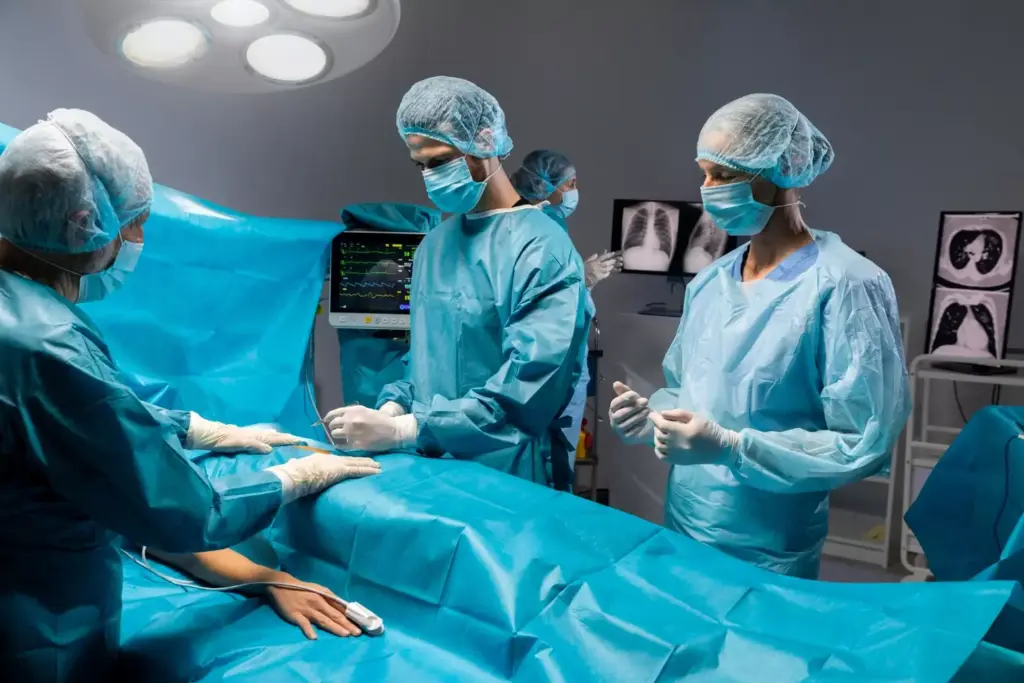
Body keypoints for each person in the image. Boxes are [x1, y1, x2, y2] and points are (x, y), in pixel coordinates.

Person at [0, 109, 381, 681]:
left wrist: (193, 429)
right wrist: (292, 478)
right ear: (83, 222)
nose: (138, 242)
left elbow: (64, 424)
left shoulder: (23, 321)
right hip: (32, 629)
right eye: (136, 225)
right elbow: (177, 510)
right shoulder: (48, 344)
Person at [608, 94, 909, 579]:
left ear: (781, 172)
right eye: (703, 173)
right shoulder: (711, 281)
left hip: (769, 543)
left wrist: (734, 448)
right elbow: (692, 389)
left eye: (724, 176)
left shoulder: (846, 284)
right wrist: (653, 418)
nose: (707, 190)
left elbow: (861, 439)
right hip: (686, 520)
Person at [326, 77, 592, 490]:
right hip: (433, 468)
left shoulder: (543, 248)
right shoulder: (434, 245)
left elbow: (532, 387)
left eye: (440, 160)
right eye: (422, 165)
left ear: (485, 142)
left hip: (508, 470)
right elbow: (425, 358)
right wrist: (396, 405)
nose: (431, 176)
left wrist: (408, 431)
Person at [511, 150, 621, 467]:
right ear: (546, 185)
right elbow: (542, 302)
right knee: (547, 469)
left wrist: (581, 280)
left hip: (552, 366)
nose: (575, 190)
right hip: (552, 368)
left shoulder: (541, 224)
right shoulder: (541, 226)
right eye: (570, 183)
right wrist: (581, 281)